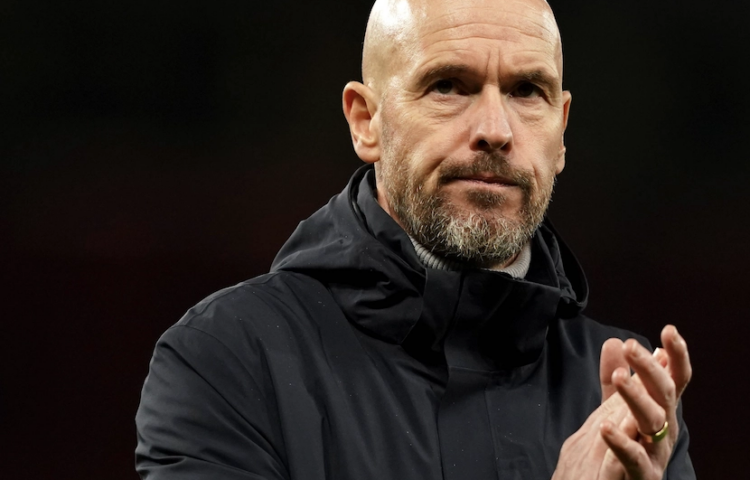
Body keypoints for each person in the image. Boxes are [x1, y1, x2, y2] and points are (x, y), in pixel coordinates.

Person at [135, 0, 694, 478]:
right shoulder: (226, 361)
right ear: (366, 121)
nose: (495, 131)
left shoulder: (625, 396)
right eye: (448, 86)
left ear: (562, 129)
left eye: (527, 91)